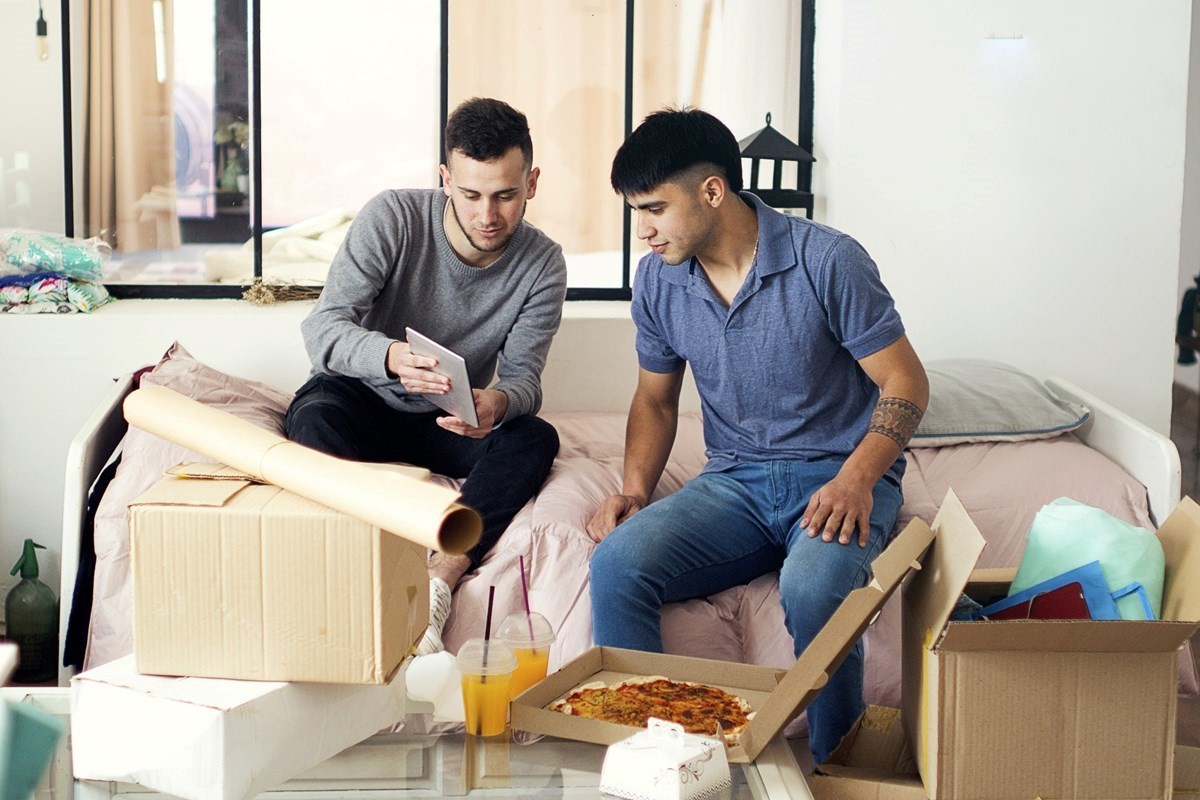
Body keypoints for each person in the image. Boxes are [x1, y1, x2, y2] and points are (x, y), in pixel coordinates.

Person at [586, 108, 928, 763]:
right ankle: (658, 759)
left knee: (812, 588)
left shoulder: (828, 260)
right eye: (636, 212)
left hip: (838, 476)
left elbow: (906, 383)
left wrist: (858, 478)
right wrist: (633, 488)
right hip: (734, 485)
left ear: (712, 191)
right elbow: (656, 402)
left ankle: (835, 768)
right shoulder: (659, 280)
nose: (643, 231)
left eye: (654, 208)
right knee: (616, 564)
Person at [286, 97, 568, 656]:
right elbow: (323, 331)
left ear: (531, 183)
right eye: (470, 194)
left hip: (447, 421)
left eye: (505, 195)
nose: (488, 215)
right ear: (445, 179)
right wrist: (389, 356)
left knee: (535, 437)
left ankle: (444, 573)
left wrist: (497, 403)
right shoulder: (392, 217)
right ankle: (366, 562)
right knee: (314, 419)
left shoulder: (544, 263)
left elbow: (525, 382)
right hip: (361, 397)